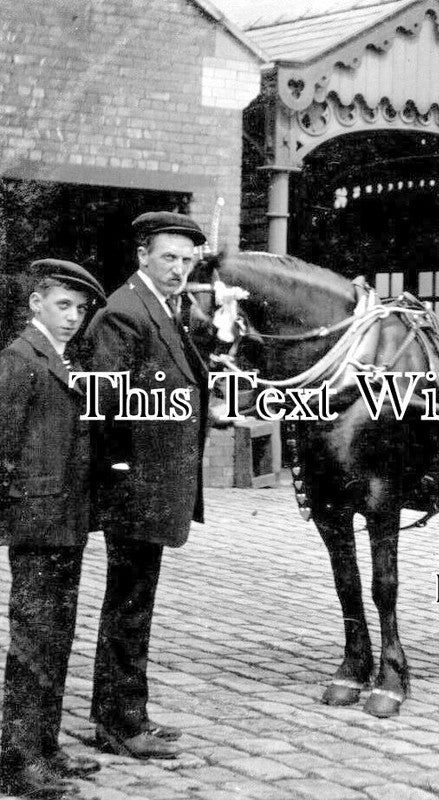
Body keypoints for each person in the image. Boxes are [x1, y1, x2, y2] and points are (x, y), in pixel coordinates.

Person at [86, 212, 209, 760]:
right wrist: (124, 483)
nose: (179, 268)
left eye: (187, 260)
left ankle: (127, 713)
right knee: (129, 605)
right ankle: (119, 724)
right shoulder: (125, 312)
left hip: (151, 486)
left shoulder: (160, 307)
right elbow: (107, 408)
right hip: (135, 487)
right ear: (143, 256)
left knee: (135, 602)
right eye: (169, 257)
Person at [0, 260, 106, 797]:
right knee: (32, 641)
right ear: (35, 303)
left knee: (56, 638)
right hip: (36, 521)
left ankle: (45, 746)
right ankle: (18, 763)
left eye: (80, 309)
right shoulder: (20, 360)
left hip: (64, 520)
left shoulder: (62, 360)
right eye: (63, 305)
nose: (72, 317)